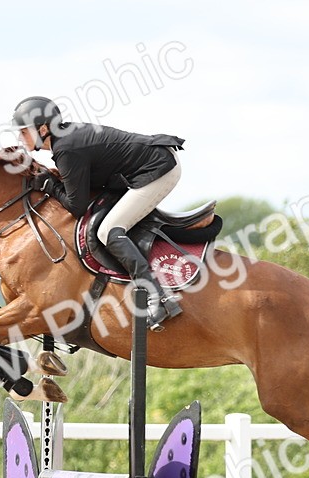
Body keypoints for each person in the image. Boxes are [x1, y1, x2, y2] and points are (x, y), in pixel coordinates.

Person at [12, 95, 187, 330]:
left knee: (110, 231)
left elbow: (77, 206)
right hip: (150, 163)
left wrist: (49, 185)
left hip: (158, 169)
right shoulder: (65, 141)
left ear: (43, 128)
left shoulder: (66, 148)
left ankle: (159, 296)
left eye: (23, 132)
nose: (19, 138)